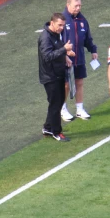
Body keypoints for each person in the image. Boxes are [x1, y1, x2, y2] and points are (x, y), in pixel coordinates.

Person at [38, 12, 75, 142]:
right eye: (59, 25)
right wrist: (64, 49)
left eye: (63, 25)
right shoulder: (45, 38)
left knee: (56, 103)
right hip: (50, 76)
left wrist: (65, 56)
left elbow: (56, 49)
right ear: (52, 23)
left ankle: (48, 127)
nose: (61, 28)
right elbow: (47, 56)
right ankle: (56, 132)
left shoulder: (54, 34)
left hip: (56, 74)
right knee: (56, 104)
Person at [60, 0, 98, 122]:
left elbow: (87, 38)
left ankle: (79, 109)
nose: (78, 8)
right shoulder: (62, 20)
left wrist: (93, 49)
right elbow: (56, 41)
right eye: (76, 6)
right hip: (65, 59)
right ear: (68, 5)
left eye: (80, 5)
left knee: (79, 82)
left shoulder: (82, 19)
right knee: (66, 85)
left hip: (79, 57)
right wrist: (63, 54)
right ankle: (62, 108)